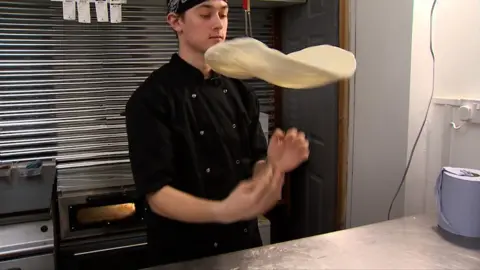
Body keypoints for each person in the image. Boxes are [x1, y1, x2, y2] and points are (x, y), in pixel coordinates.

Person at [125, 0, 309, 266]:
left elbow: (256, 161)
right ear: (176, 22)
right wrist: (222, 210)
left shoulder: (240, 92)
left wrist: (274, 166)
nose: (218, 24)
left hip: (243, 248)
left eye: (223, 14)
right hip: (183, 255)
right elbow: (157, 195)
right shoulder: (151, 99)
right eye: (205, 14)